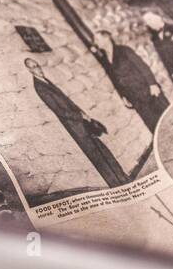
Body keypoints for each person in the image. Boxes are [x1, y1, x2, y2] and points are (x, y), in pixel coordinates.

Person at [24, 57, 126, 187]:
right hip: (75, 126)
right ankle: (114, 182)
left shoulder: (46, 81)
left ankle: (121, 177)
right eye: (33, 67)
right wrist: (79, 116)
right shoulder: (40, 87)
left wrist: (84, 114)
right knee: (96, 156)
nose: (37, 68)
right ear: (29, 70)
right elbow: (60, 111)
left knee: (102, 150)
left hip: (81, 121)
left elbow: (67, 102)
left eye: (37, 65)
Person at [89, 27, 168, 131]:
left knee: (167, 116)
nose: (95, 43)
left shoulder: (124, 50)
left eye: (97, 39)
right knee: (153, 125)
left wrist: (152, 84)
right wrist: (123, 96)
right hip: (134, 97)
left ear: (106, 38)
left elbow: (142, 66)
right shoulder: (105, 59)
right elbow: (115, 80)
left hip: (148, 90)